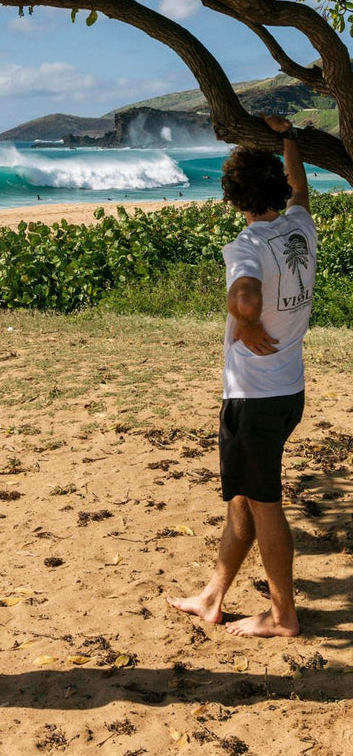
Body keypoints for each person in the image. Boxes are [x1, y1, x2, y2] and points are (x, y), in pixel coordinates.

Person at [168, 115, 316, 637]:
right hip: (287, 388)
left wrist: (246, 317)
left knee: (266, 504)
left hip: (254, 397)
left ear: (233, 199)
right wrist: (289, 139)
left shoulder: (246, 247)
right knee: (245, 497)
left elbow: (246, 295)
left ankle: (282, 614)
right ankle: (213, 595)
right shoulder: (299, 224)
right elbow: (300, 188)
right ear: (275, 188)